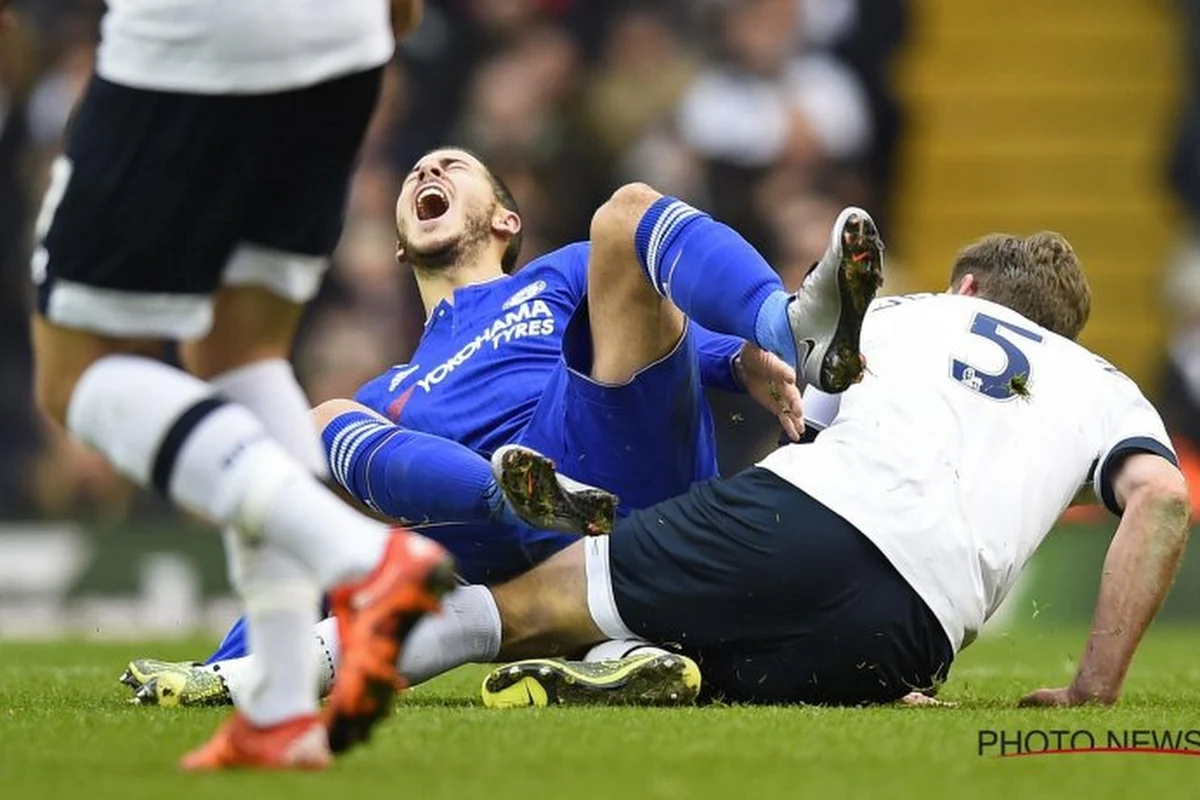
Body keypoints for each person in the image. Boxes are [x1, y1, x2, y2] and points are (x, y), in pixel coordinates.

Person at [120, 155, 886, 708]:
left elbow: (659, 327)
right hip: (514, 543)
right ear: (397, 243)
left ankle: (785, 324)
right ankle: (612, 634)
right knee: (322, 424)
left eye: (450, 168)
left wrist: (744, 360)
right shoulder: (387, 394)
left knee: (626, 218)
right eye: (416, 176)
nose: (427, 177)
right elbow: (319, 549)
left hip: (620, 473)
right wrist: (223, 668)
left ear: (504, 218)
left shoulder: (549, 280)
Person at [349, 226, 1189, 708]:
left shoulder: (914, 315)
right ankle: (635, 662)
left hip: (816, 515)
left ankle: (288, 673)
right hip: (915, 635)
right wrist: (1091, 693)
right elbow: (1160, 504)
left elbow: (805, 429)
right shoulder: (1105, 389)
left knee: (523, 610)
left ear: (967, 286)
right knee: (718, 669)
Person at [29, 0, 460, 770]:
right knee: (243, 354)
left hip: (200, 25)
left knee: (75, 375)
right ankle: (282, 709)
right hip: (345, 39)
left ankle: (364, 561)